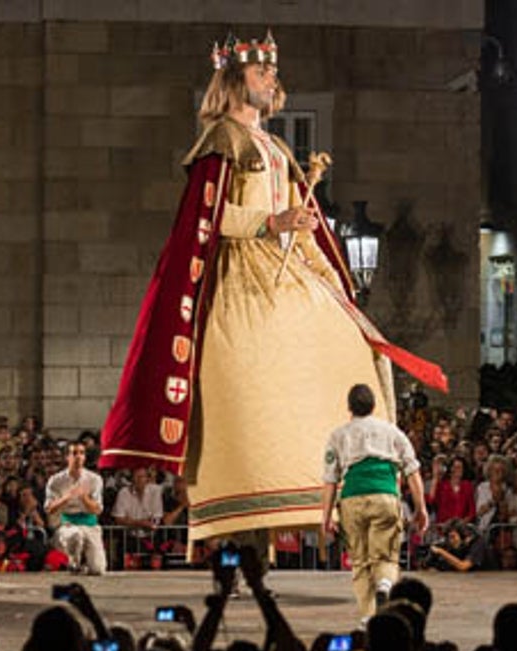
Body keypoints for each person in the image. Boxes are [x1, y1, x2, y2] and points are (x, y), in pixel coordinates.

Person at [98, 32, 446, 554]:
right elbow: (208, 220)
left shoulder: (278, 148)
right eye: (261, 73)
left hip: (288, 270)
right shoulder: (222, 141)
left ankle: (326, 483)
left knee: (349, 345)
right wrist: (271, 221)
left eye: (272, 73)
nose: (271, 81)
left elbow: (296, 225)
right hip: (240, 274)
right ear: (236, 80)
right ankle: (242, 513)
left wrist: (314, 249)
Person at [321, 384, 429, 622]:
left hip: (352, 498)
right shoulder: (393, 432)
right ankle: (385, 585)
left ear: (349, 408)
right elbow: (413, 472)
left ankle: (367, 617)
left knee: (360, 563)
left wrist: (326, 517)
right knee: (386, 558)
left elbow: (330, 480)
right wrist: (421, 509)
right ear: (373, 406)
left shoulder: (338, 435)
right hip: (385, 495)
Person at [45, 443, 107, 574]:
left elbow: (97, 509)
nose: (78, 457)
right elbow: (49, 509)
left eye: (81, 453)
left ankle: (85, 563)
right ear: (67, 457)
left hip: (89, 525)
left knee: (98, 569)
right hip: (67, 524)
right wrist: (66, 498)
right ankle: (74, 562)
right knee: (76, 535)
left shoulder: (95, 479)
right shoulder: (56, 480)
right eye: (74, 453)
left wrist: (84, 498)